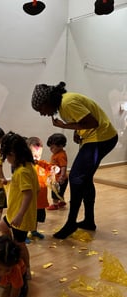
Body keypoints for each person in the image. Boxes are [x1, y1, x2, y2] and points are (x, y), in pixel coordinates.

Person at [31, 81, 118, 239]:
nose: (41, 113)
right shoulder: (65, 104)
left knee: (76, 178)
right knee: (85, 179)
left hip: (101, 138)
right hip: (96, 138)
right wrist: (77, 130)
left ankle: (71, 223)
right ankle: (89, 221)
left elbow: (93, 122)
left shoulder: (67, 103)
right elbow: (84, 120)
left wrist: (66, 126)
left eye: (41, 109)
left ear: (48, 102)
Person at [0, 132, 39, 280]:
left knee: (20, 243)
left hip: (20, 215)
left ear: (12, 154)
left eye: (7, 157)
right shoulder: (27, 166)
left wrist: (20, 215)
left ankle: (26, 268)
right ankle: (12, 254)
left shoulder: (23, 171)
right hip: (14, 212)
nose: (7, 160)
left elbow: (28, 194)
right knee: (2, 226)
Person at [26, 136, 52, 240]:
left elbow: (52, 168)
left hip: (40, 199)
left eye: (39, 154)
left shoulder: (42, 164)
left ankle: (34, 231)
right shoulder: (26, 166)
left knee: (36, 217)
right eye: (34, 154)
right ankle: (23, 234)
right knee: (27, 216)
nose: (37, 157)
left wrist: (55, 170)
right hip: (30, 198)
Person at [46, 133, 69, 210]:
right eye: (50, 147)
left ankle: (55, 204)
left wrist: (62, 176)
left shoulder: (61, 155)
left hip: (59, 178)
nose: (51, 149)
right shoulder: (56, 154)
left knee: (55, 192)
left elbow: (63, 166)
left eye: (52, 147)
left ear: (60, 146)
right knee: (60, 191)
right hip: (57, 178)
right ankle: (62, 201)